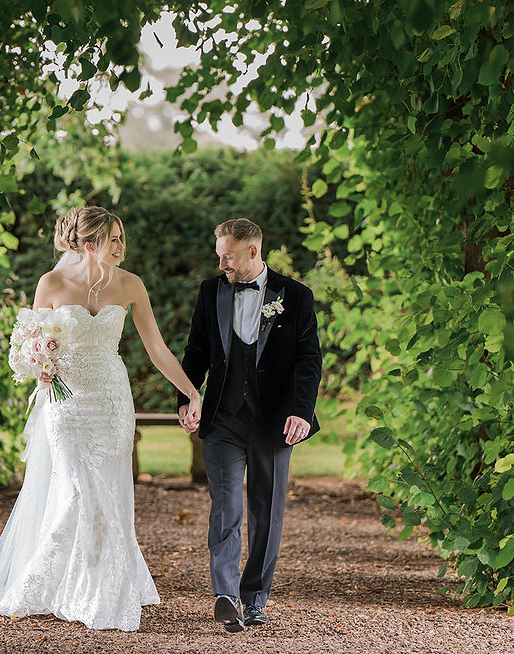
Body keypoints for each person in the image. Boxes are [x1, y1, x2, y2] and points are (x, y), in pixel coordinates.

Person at [0, 206, 202, 632]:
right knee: (76, 489)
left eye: (120, 238)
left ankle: (103, 584)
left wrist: (191, 390)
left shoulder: (131, 285)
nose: (120, 246)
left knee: (108, 489)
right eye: (113, 239)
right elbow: (26, 342)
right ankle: (61, 583)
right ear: (89, 245)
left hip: (111, 400)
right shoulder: (51, 283)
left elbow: (157, 349)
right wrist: (38, 363)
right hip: (66, 403)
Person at [177, 218, 321, 632]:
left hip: (274, 420)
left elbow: (309, 360)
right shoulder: (211, 292)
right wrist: (187, 396)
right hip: (222, 418)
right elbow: (196, 351)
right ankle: (226, 595)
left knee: (266, 510)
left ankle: (255, 598)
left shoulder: (295, 296)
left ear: (252, 252)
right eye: (219, 256)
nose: (221, 263)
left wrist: (301, 410)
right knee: (226, 506)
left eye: (228, 256)